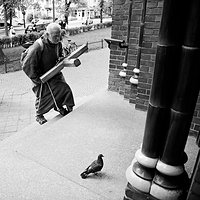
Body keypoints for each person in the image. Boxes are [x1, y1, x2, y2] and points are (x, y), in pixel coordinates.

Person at [22, 22, 75, 125]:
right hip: (40, 77)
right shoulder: (37, 47)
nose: (58, 38)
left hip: (54, 74)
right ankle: (39, 115)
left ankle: (60, 107)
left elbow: (59, 56)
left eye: (59, 36)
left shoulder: (58, 44)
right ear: (47, 35)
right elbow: (27, 65)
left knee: (64, 89)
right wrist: (37, 79)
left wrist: (62, 59)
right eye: (55, 36)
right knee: (44, 96)